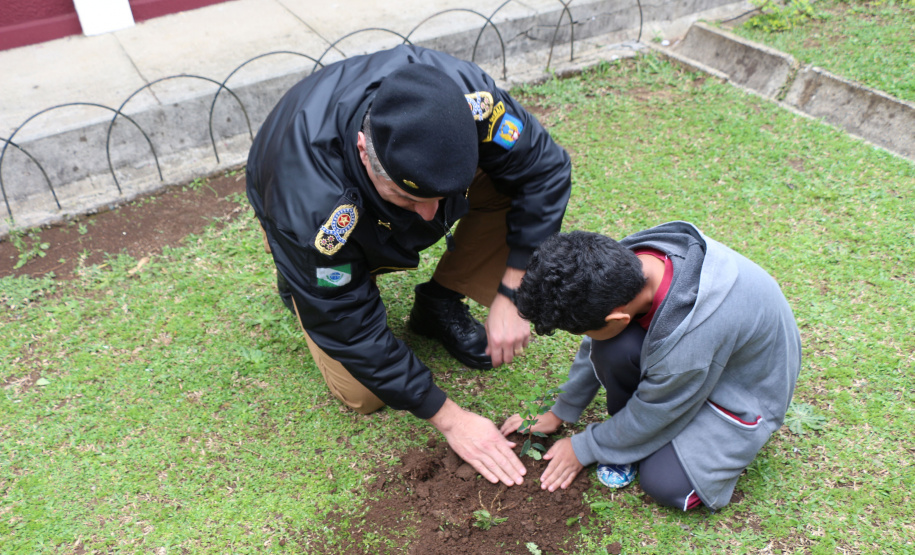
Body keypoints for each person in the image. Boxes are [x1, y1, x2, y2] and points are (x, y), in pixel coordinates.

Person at [245, 44, 572, 487]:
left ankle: (438, 302)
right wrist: (451, 419)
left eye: (439, 197)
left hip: (391, 165)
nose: (431, 216)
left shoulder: (469, 102)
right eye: (408, 197)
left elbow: (544, 172)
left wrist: (514, 293)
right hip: (301, 189)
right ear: (364, 150)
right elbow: (349, 327)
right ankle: (300, 278)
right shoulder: (311, 209)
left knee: (508, 185)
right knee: (365, 393)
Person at [501, 222, 801, 510]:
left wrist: (585, 447)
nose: (585, 339)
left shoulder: (689, 340)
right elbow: (596, 343)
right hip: (700, 362)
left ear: (617, 318)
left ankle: (660, 441)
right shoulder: (625, 264)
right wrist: (560, 410)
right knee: (613, 346)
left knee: (665, 482)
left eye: (582, 331)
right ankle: (631, 437)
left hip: (741, 390)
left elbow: (656, 411)